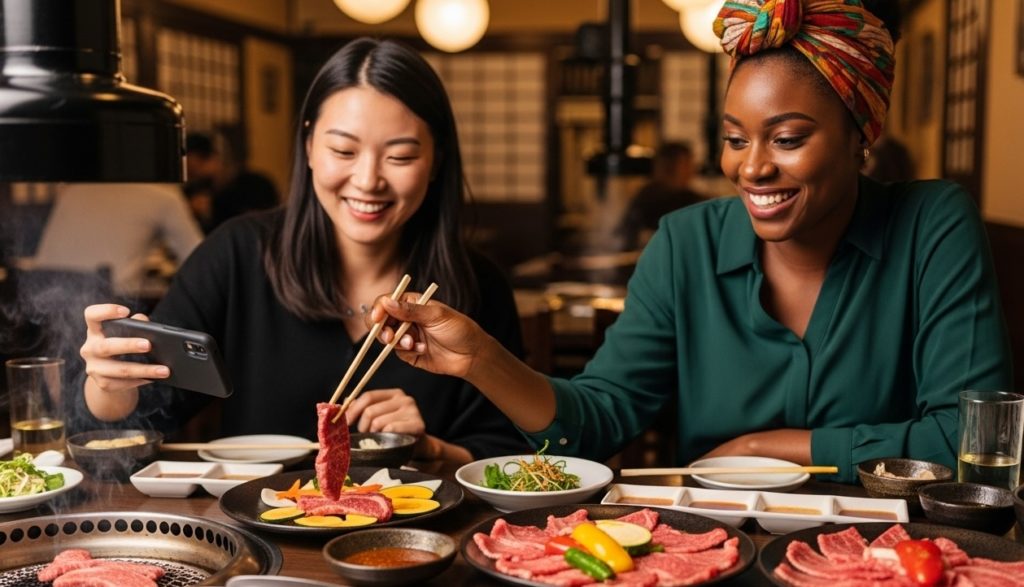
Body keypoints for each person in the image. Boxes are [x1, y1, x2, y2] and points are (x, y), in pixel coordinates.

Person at [366, 0, 1012, 483]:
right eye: (734, 139)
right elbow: (595, 423)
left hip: (886, 553)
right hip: (712, 545)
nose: (752, 167)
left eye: (787, 139)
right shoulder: (686, 242)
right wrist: (480, 357)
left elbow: (973, 439)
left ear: (860, 134)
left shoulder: (931, 224)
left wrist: (767, 448)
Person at [78, 38, 530, 464]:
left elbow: (507, 453)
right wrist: (109, 383)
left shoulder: (478, 285)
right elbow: (140, 419)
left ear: (436, 161)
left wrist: (429, 448)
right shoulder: (237, 255)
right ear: (310, 145)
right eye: (343, 150)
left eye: (400, 157)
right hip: (250, 520)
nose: (368, 180)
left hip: (417, 522)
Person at [31, 183, 202, 298]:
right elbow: (198, 261)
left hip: (43, 298)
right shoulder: (164, 197)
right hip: (110, 305)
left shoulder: (75, 188)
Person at [184, 128, 280, 234]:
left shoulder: (256, 185)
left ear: (213, 158)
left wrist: (212, 209)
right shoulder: (192, 192)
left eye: (194, 168)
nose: (194, 176)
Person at [617, 141, 704, 250]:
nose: (692, 170)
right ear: (670, 166)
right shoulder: (653, 197)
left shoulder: (646, 193)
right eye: (687, 164)